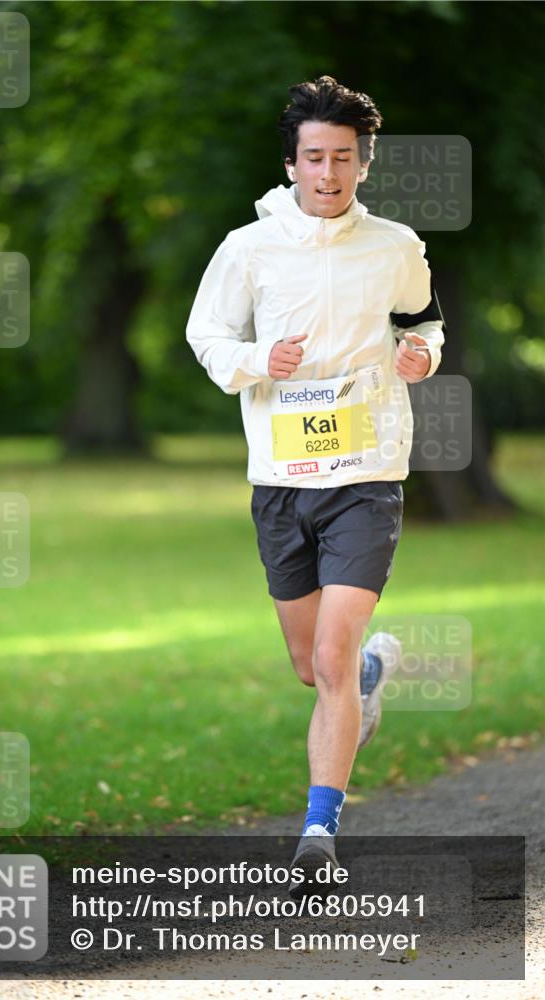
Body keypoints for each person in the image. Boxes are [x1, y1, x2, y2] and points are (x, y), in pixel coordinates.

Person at [185, 75, 445, 897]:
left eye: (341, 157)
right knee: (313, 666)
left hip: (365, 473)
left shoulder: (394, 246)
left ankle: (318, 832)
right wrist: (259, 359)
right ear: (290, 164)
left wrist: (422, 355)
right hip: (280, 479)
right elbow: (206, 335)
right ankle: (366, 678)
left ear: (362, 164)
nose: (327, 172)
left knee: (328, 655)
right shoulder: (247, 248)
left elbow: (422, 321)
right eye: (313, 157)